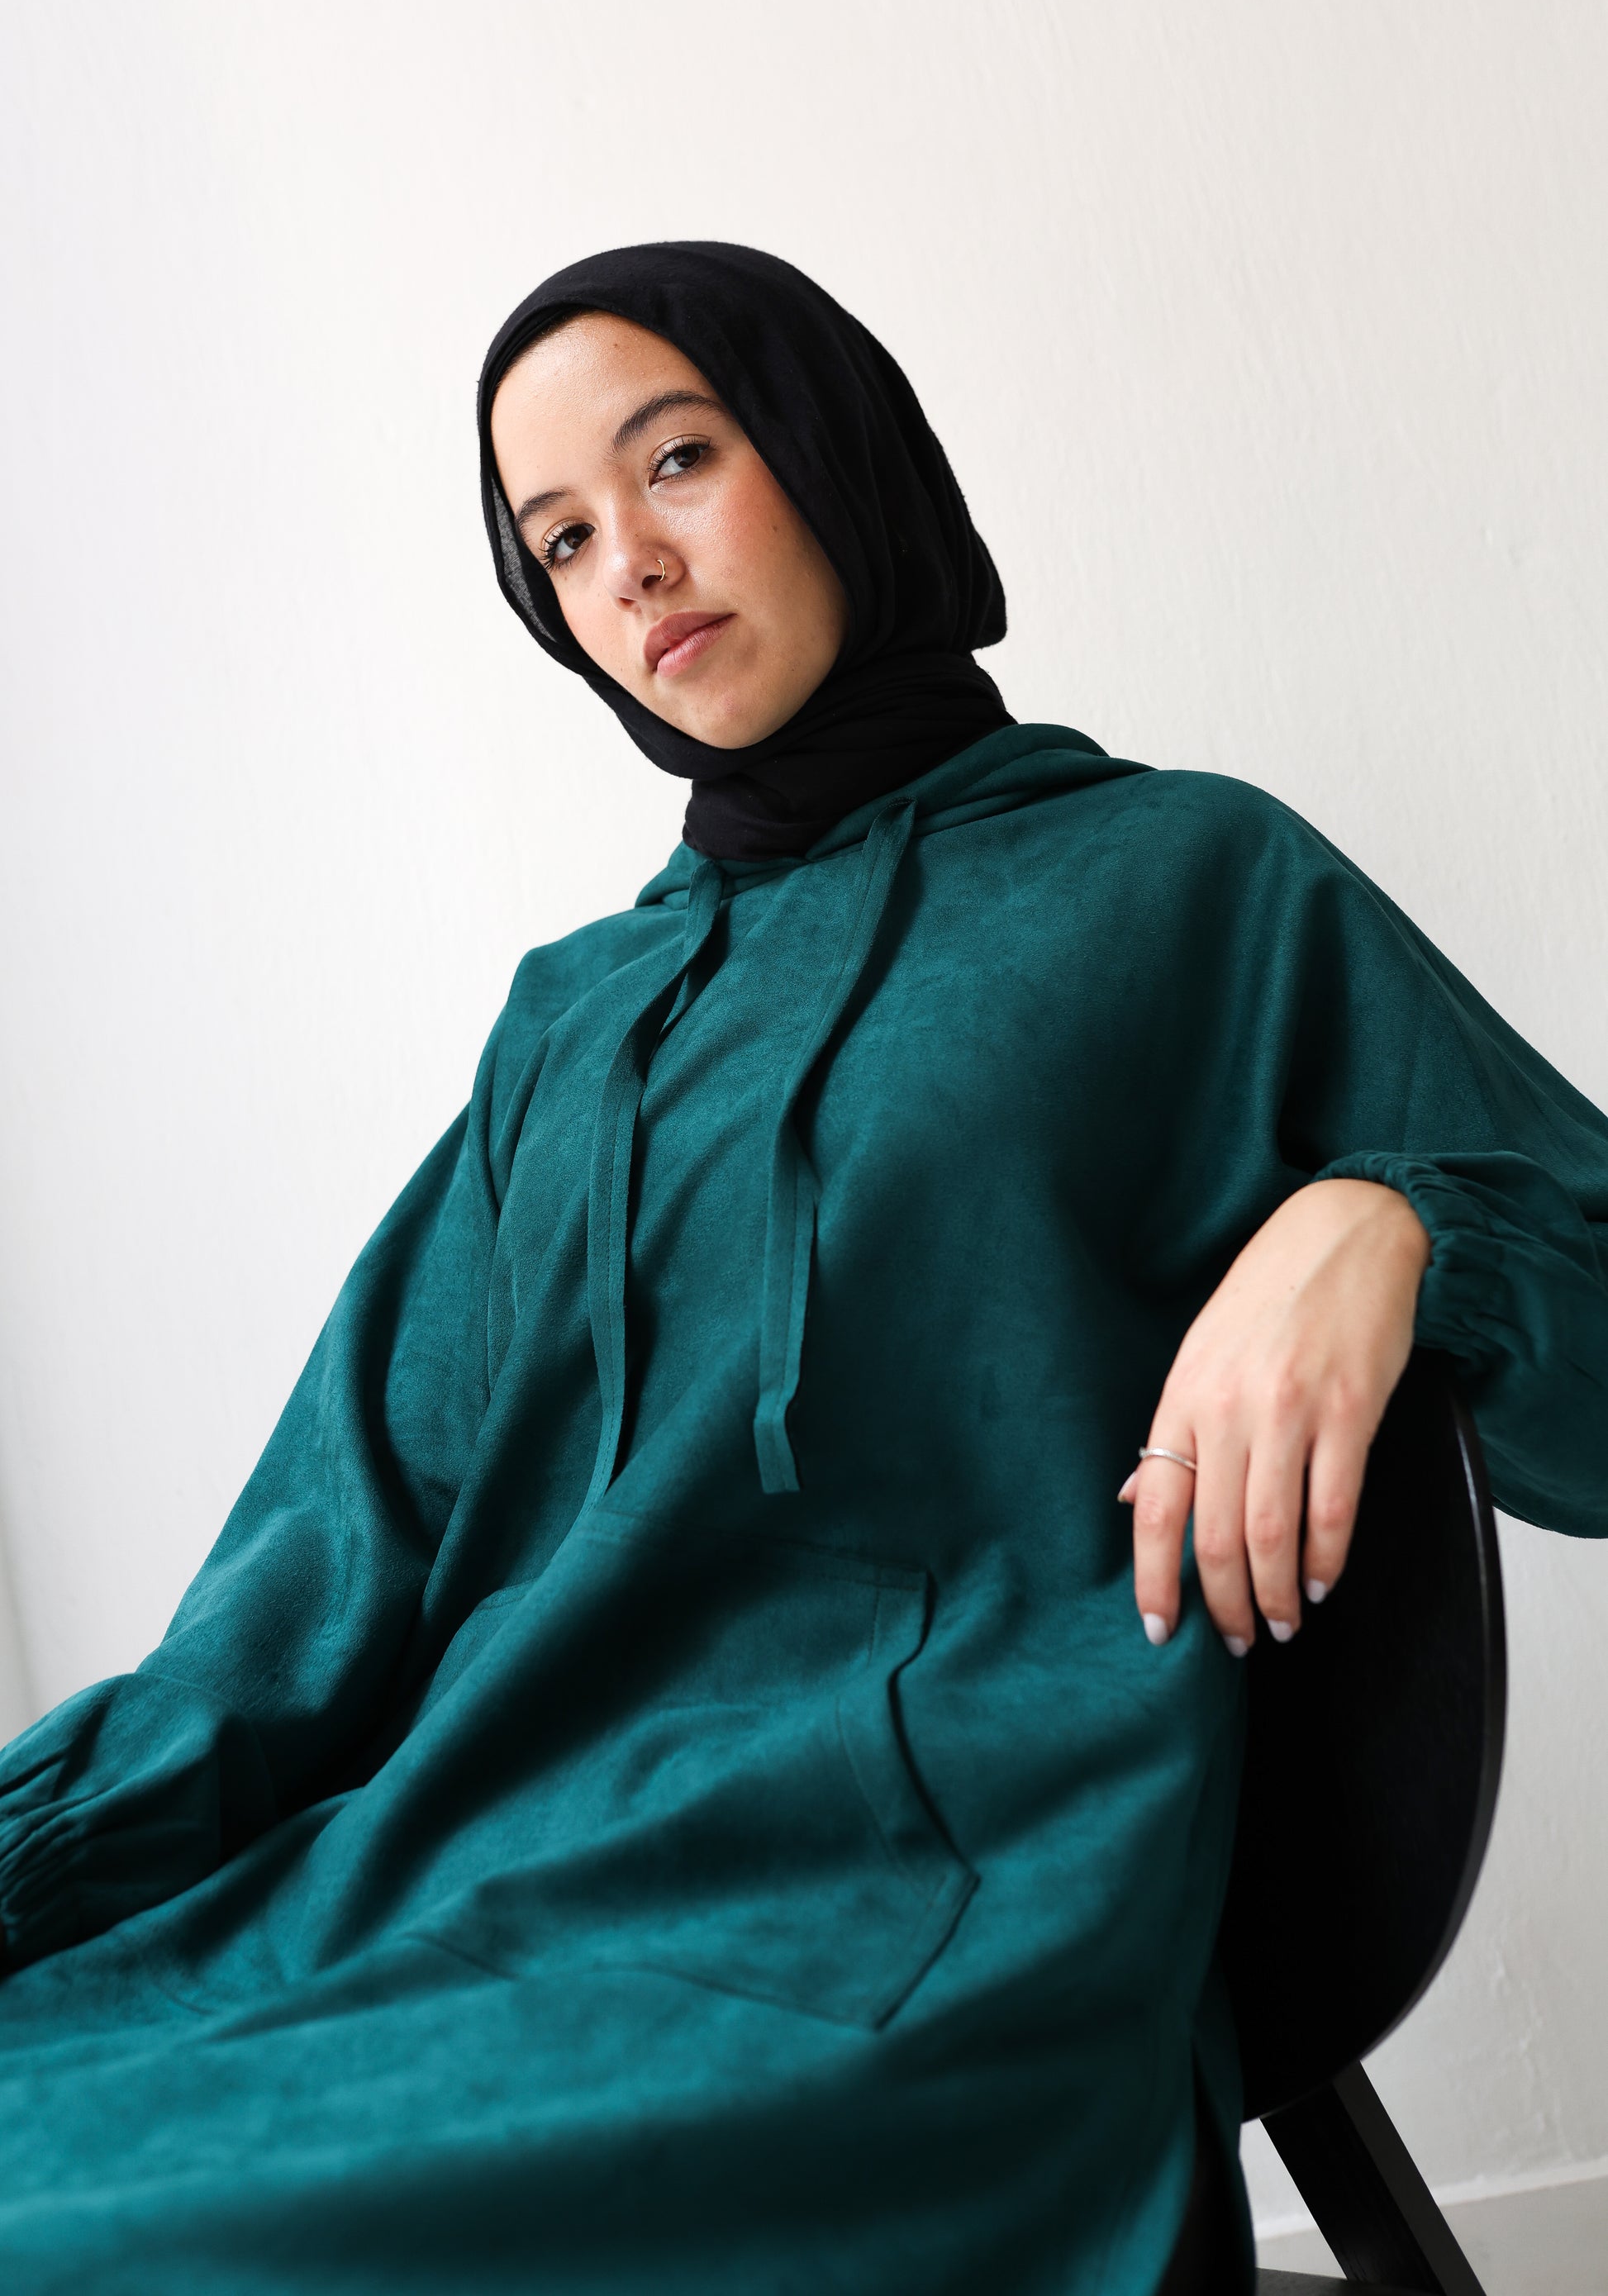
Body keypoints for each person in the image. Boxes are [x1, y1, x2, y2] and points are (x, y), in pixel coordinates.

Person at [0, 241, 1604, 2296]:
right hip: (454, 1891)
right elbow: (325, 1566)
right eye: (561, 538)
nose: (633, 568)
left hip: (927, 1922)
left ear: (835, 452)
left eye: (676, 459)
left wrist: (1392, 1222)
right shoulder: (571, 1022)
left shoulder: (1192, 879)